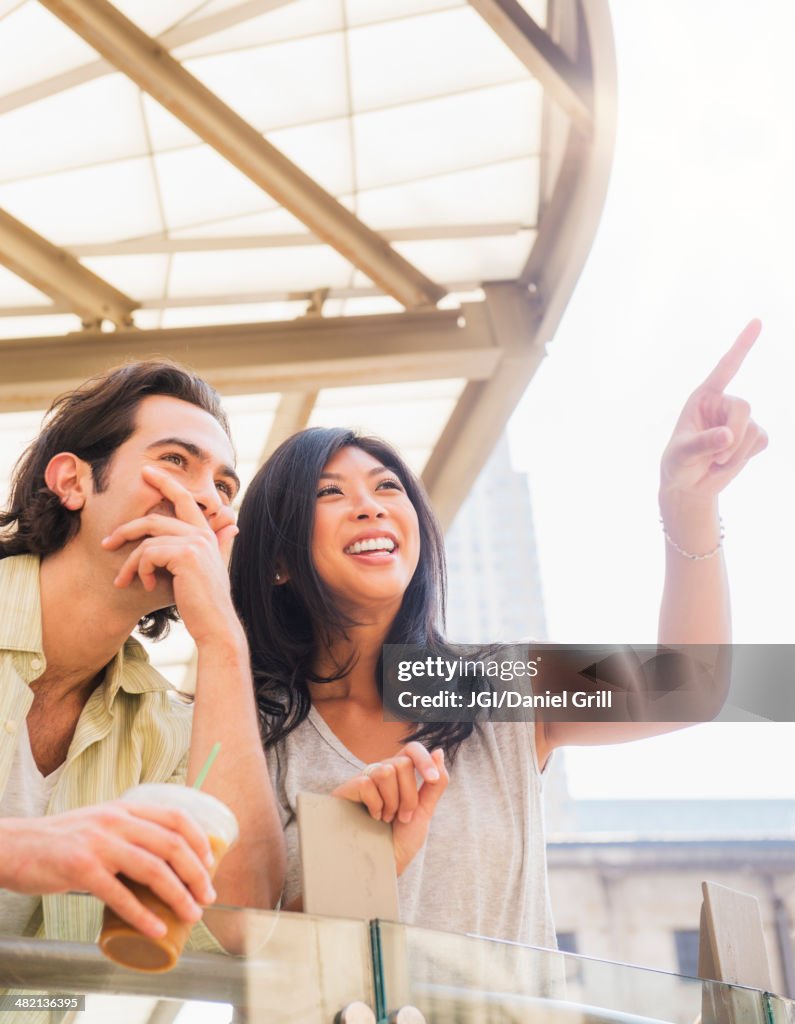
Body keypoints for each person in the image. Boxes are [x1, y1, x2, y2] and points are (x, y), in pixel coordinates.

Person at [229, 321, 766, 947]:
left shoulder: (495, 683)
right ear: (278, 561)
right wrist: (358, 860)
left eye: (387, 487)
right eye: (329, 492)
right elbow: (243, 956)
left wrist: (688, 504)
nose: (371, 506)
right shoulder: (252, 732)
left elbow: (690, 685)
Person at [0, 361, 285, 945]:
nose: (205, 498)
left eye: (225, 488)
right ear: (73, 482)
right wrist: (24, 847)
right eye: (175, 461)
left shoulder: (167, 728)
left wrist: (224, 641)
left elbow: (238, 921)